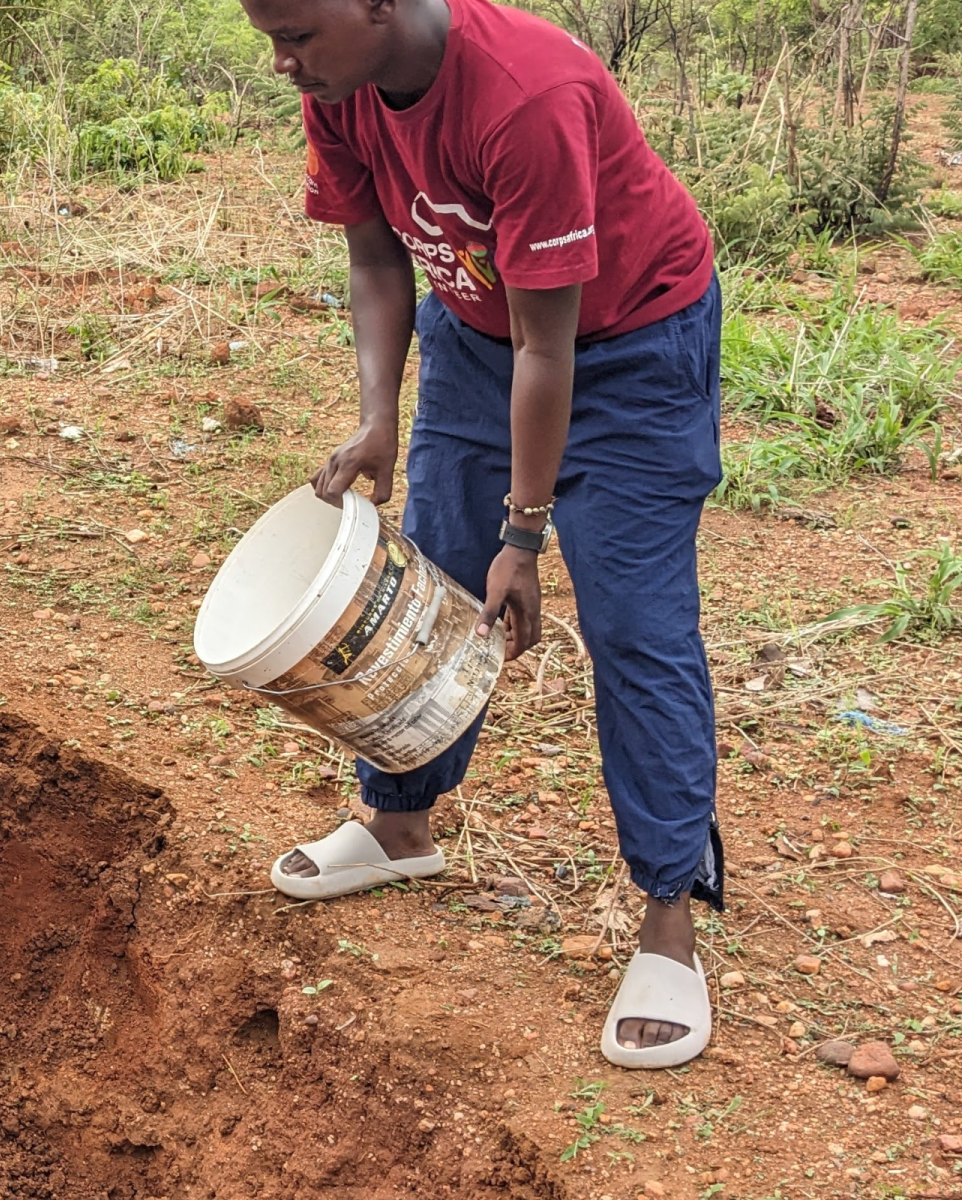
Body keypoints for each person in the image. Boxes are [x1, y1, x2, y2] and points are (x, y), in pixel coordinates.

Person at [237, 0, 723, 1068]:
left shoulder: (526, 96)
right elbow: (376, 256)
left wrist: (528, 532)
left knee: (636, 627)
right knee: (435, 572)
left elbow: (552, 351)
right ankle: (400, 825)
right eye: (266, 37)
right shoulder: (341, 86)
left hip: (628, 344)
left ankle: (669, 918)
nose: (282, 63)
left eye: (299, 37)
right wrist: (378, 413)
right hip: (479, 329)